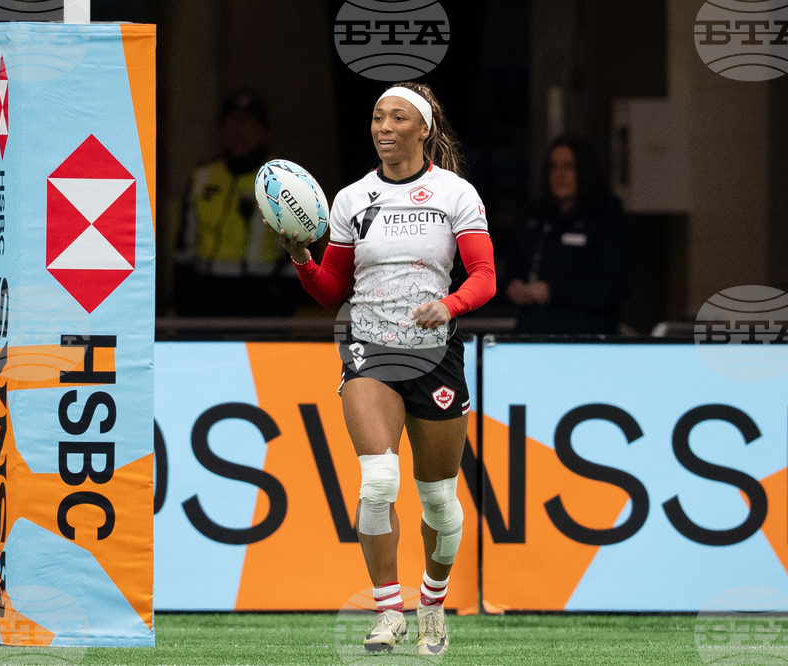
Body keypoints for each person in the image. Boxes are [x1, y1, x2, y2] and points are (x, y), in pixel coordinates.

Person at [267, 82, 495, 655]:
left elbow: (485, 278)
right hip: (368, 349)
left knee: (440, 501)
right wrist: (300, 255)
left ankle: (432, 604)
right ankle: (388, 610)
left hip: (435, 355)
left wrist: (448, 305)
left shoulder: (456, 194)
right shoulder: (351, 200)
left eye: (398, 118)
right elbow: (332, 292)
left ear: (424, 129)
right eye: (376, 118)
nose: (384, 127)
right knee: (378, 480)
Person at [175, 88, 300, 316]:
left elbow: (302, 250)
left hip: (262, 297)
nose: (239, 130)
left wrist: (282, 303)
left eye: (248, 122)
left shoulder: (284, 179)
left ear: (263, 131)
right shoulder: (201, 176)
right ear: (221, 130)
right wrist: (184, 300)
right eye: (232, 122)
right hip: (206, 296)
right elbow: (184, 248)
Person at [505, 136, 631, 334]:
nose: (559, 175)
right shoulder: (536, 214)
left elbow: (614, 287)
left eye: (568, 167)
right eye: (553, 167)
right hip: (532, 334)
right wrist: (513, 285)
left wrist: (553, 291)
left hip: (584, 336)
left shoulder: (604, 215)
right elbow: (514, 264)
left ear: (584, 171)